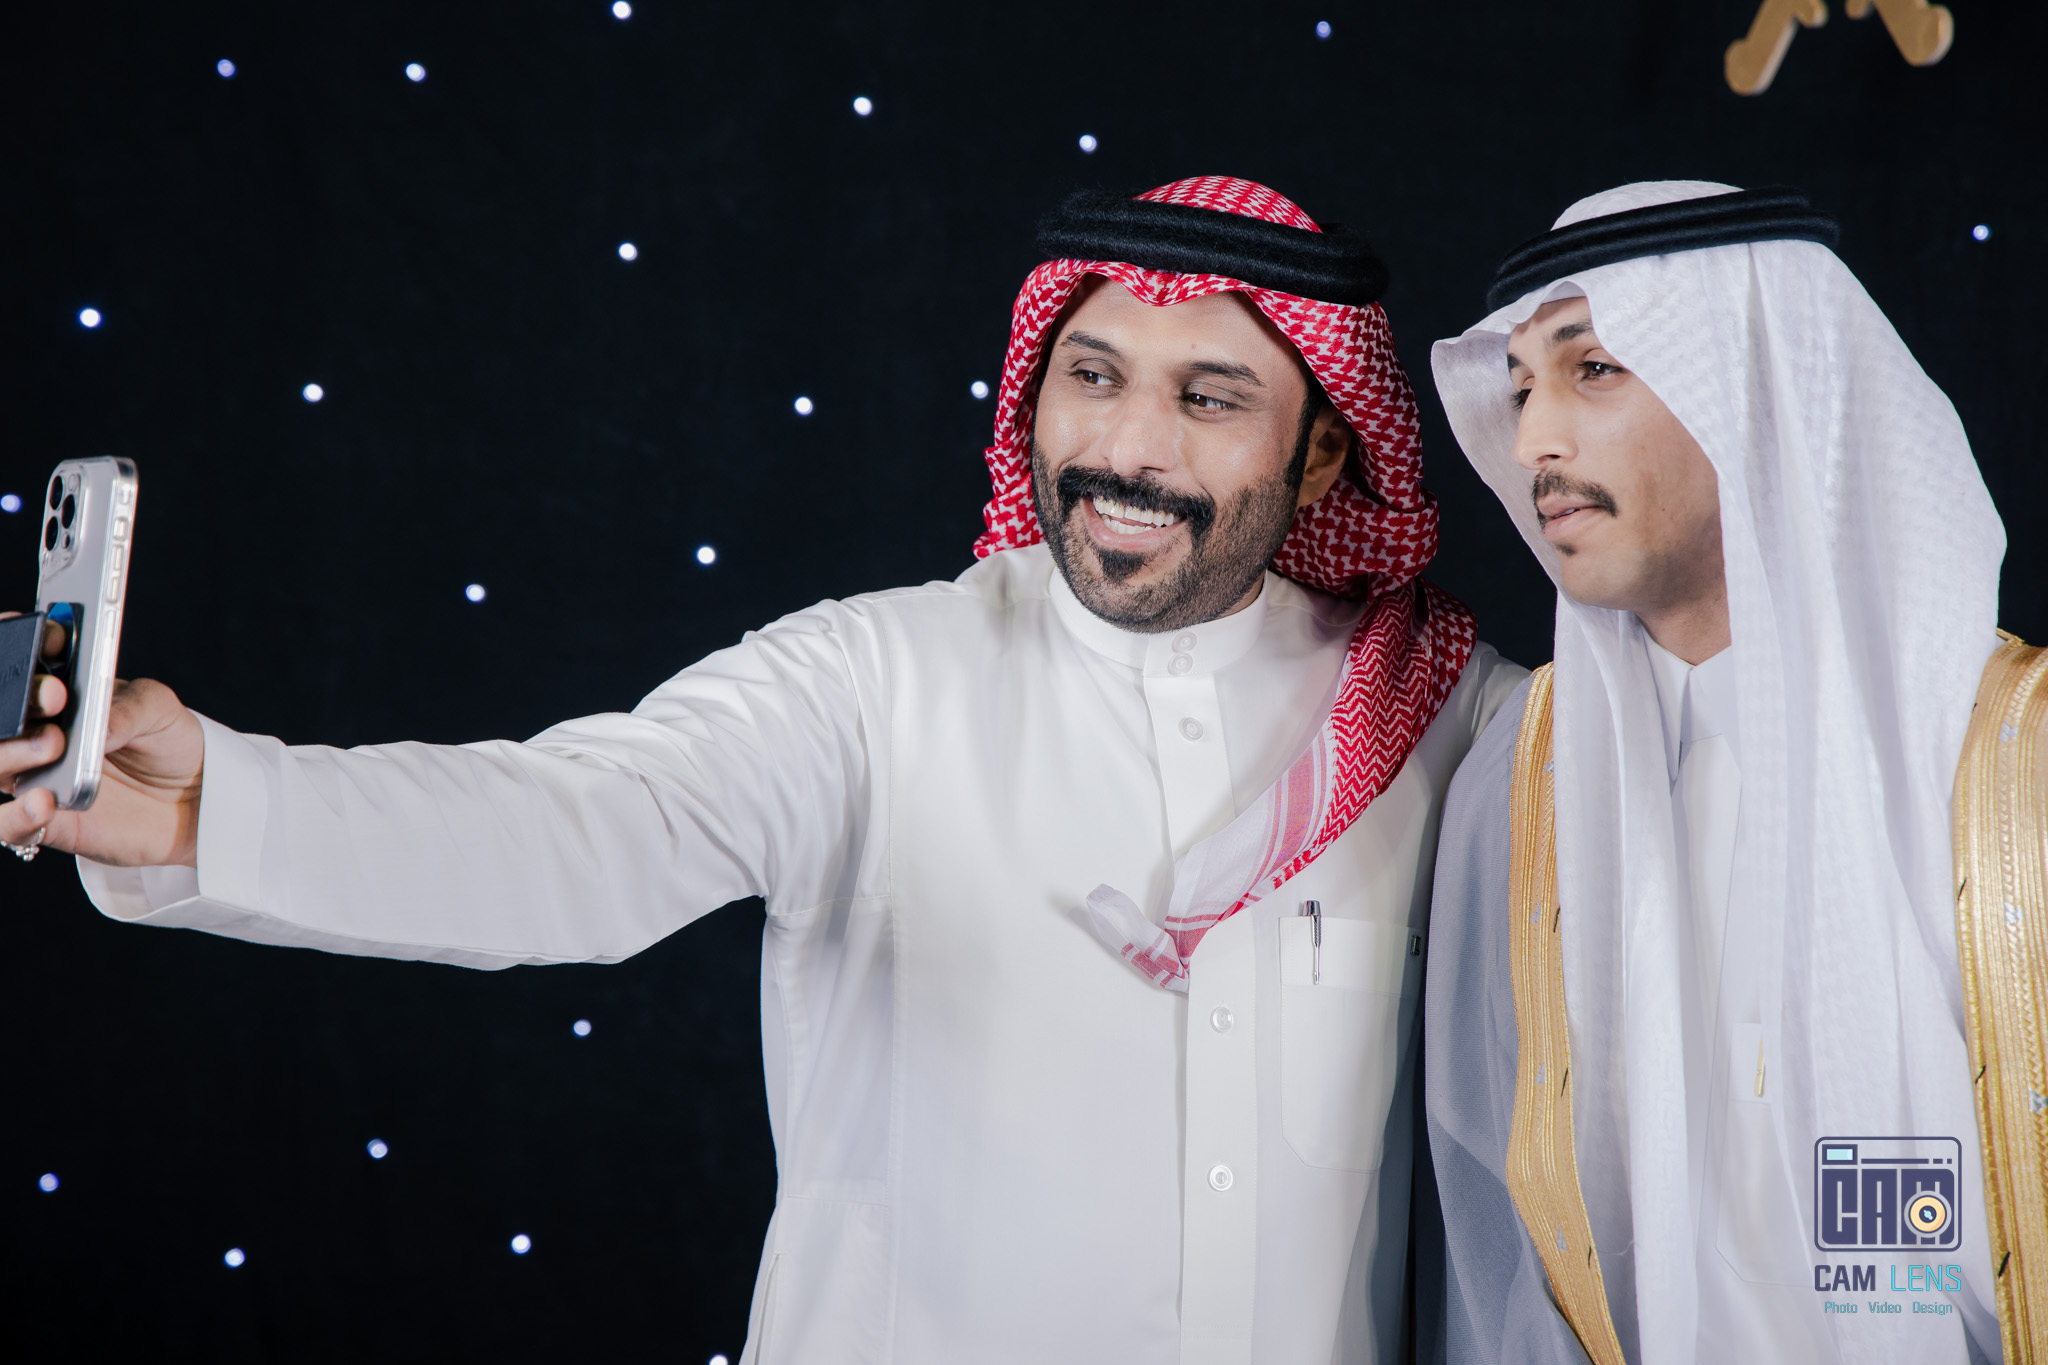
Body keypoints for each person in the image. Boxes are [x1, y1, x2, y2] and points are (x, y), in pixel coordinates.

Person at [0, 176, 1522, 1365]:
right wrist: (211, 800)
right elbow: (578, 824)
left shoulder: (1446, 719)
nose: (1126, 448)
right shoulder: (871, 679)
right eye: (1093, 375)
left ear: (1326, 455)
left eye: (1209, 398)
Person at [1419, 179, 2043, 1365]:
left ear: (1753, 387)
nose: (1533, 439)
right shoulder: (1522, 780)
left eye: (1592, 368)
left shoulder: (2011, 761)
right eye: (1519, 388)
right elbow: (1497, 1240)